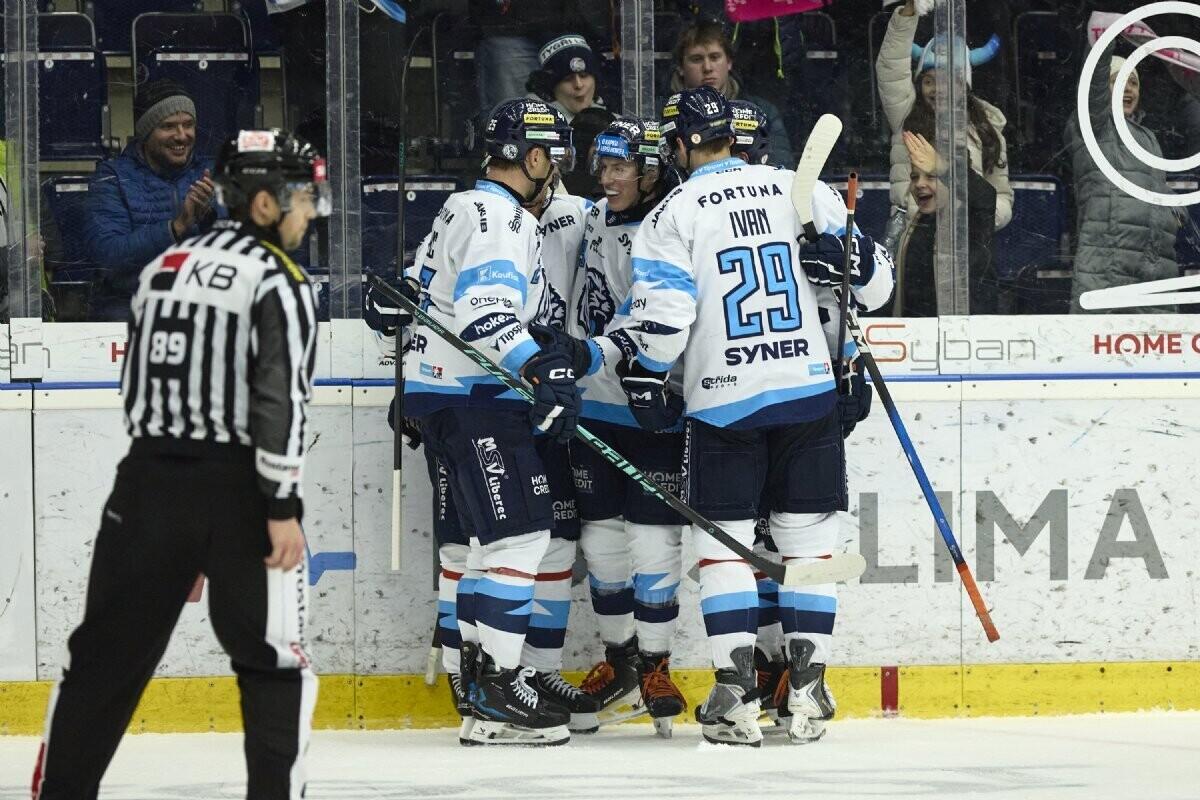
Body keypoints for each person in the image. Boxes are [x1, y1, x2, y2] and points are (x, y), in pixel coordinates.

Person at [559, 87, 892, 746]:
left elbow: (664, 322)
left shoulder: (672, 215)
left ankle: (736, 698)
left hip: (724, 404)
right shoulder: (797, 189)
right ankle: (807, 691)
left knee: (725, 553)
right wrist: (845, 262)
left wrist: (641, 371)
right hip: (806, 396)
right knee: (809, 547)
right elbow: (875, 287)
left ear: (680, 146)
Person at [31, 128, 326, 799]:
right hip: (240, 493)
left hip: (143, 485)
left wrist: (170, 524)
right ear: (262, 205)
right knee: (273, 664)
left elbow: (136, 387)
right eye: (305, 199)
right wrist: (281, 507)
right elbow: (279, 402)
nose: (313, 213)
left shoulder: (168, 263)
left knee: (101, 662)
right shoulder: (280, 279)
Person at [395, 98, 585, 747]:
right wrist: (543, 372)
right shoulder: (501, 217)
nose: (554, 171)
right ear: (531, 157)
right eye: (551, 158)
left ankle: (478, 687)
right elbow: (484, 312)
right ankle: (501, 688)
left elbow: (417, 294)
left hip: (444, 396)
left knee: (484, 550)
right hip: (475, 399)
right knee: (521, 539)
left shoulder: (461, 206)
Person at [560, 117, 689, 738]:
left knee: (655, 541)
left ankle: (657, 663)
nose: (607, 178)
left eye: (620, 168)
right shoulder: (589, 217)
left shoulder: (670, 231)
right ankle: (620, 661)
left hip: (654, 405)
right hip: (597, 406)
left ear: (649, 170)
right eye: (603, 166)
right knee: (604, 544)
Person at [85, 79, 219, 321]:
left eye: (188, 125)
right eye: (168, 126)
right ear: (145, 133)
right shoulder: (113, 177)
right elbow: (108, 257)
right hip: (131, 307)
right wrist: (176, 228)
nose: (181, 136)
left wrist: (210, 220)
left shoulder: (211, 175)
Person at [876, 0, 1012, 232]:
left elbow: (1001, 196)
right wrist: (909, 11)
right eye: (929, 81)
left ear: (964, 87)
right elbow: (891, 67)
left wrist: (979, 217)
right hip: (914, 236)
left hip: (968, 244)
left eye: (948, 81)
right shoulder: (905, 115)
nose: (938, 89)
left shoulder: (987, 130)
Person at [1065, 42, 1179, 314]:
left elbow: (1155, 185)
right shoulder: (1095, 127)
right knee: (1100, 347)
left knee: (1158, 350)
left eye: (1133, 83)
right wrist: (1102, 40)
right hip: (1109, 259)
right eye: (1118, 81)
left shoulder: (1147, 137)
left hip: (1155, 260)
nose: (1128, 89)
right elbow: (1093, 85)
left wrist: (1175, 211)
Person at [882, 131, 1004, 315]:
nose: (920, 184)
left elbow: (986, 197)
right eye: (915, 177)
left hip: (960, 337)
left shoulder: (969, 221)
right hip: (916, 336)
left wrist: (945, 168)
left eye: (931, 176)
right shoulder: (913, 223)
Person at [670, 20, 793, 167]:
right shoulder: (665, 114)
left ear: (729, 62)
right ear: (680, 67)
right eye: (696, 59)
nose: (707, 67)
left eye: (715, 57)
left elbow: (782, 164)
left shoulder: (762, 112)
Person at [526, 34, 608, 123]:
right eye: (568, 79)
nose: (578, 85)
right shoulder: (533, 123)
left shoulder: (613, 121)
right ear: (551, 86)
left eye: (584, 75)